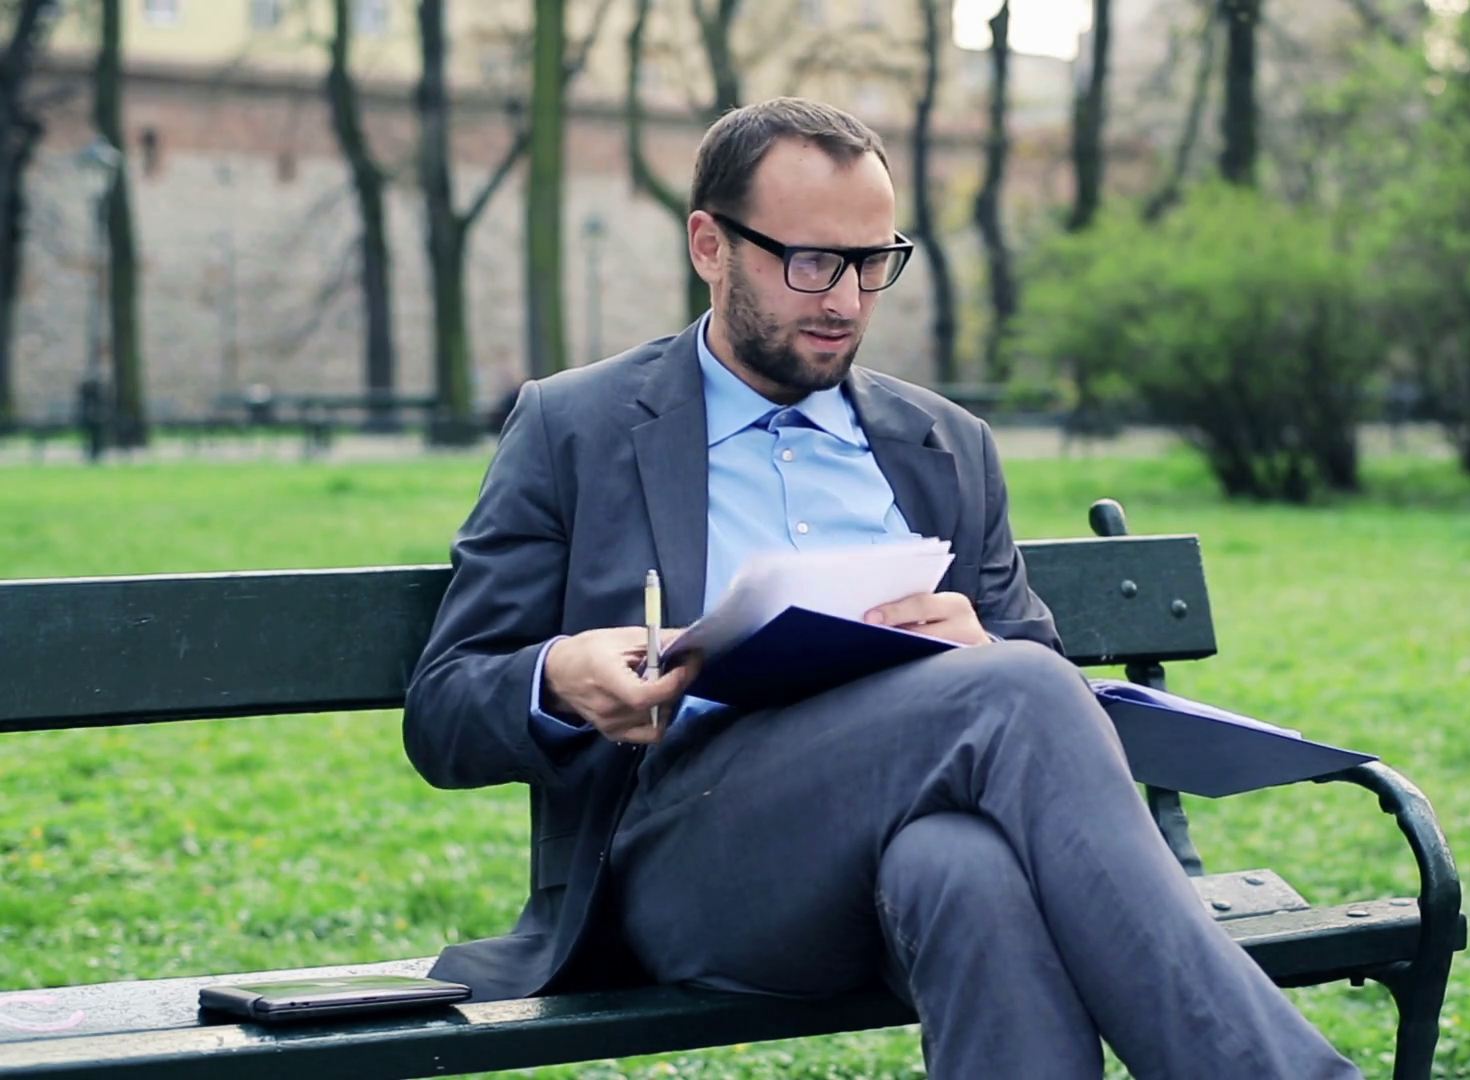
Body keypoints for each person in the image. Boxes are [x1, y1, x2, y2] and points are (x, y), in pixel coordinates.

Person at [403, 97, 1360, 1079]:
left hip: (892, 866)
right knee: (1016, 690)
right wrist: (559, 676)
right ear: (709, 246)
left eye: (872, 263)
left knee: (966, 866)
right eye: (812, 261)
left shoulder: (946, 445)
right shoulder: (576, 428)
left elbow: (1044, 702)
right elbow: (443, 709)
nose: (846, 301)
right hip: (692, 868)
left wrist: (979, 647)